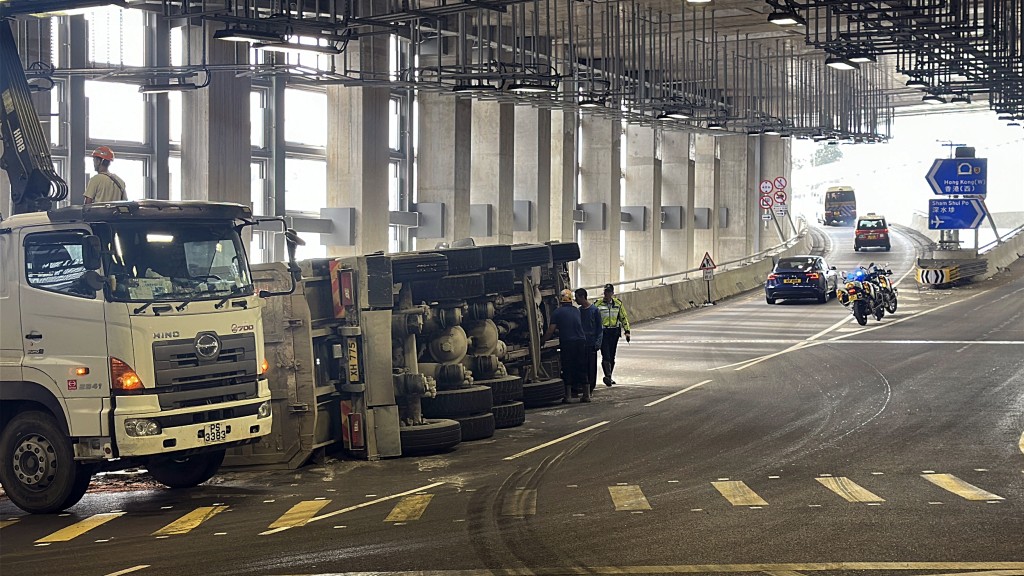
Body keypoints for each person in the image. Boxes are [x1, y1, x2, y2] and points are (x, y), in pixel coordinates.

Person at [543, 289, 589, 403]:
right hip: (581, 341)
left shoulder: (557, 312)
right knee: (581, 366)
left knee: (567, 367)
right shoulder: (576, 311)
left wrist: (542, 341)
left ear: (560, 300)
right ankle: (586, 395)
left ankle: (568, 396)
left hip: (568, 342)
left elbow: (550, 330)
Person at [595, 283, 631, 387]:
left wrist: (627, 331)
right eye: (605, 292)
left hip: (614, 332)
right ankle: (608, 375)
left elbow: (623, 317)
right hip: (604, 333)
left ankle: (609, 377)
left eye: (609, 292)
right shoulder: (598, 304)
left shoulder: (618, 304)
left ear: (612, 293)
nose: (607, 294)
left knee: (612, 356)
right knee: (605, 355)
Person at [575, 287, 603, 395]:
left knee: (591, 367)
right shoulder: (579, 311)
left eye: (577, 297)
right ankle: (583, 386)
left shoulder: (594, 310)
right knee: (582, 366)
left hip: (591, 343)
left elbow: (599, 328)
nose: (576, 300)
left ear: (582, 297)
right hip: (582, 343)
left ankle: (590, 387)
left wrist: (598, 343)